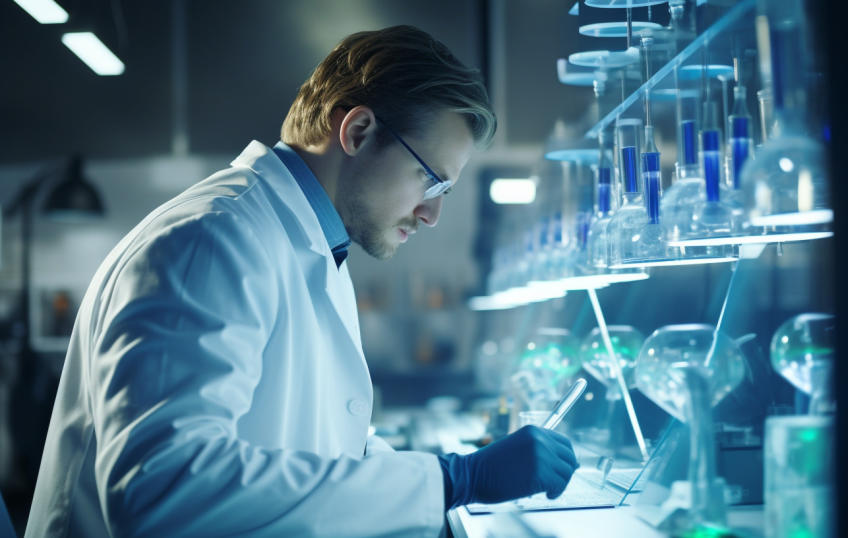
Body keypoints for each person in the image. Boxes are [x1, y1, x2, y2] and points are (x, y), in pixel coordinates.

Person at [24, 25, 578, 537]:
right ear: (358, 131)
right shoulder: (213, 239)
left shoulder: (309, 245)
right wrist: (453, 480)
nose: (431, 214)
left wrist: (445, 490)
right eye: (429, 180)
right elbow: (165, 490)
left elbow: (325, 448)